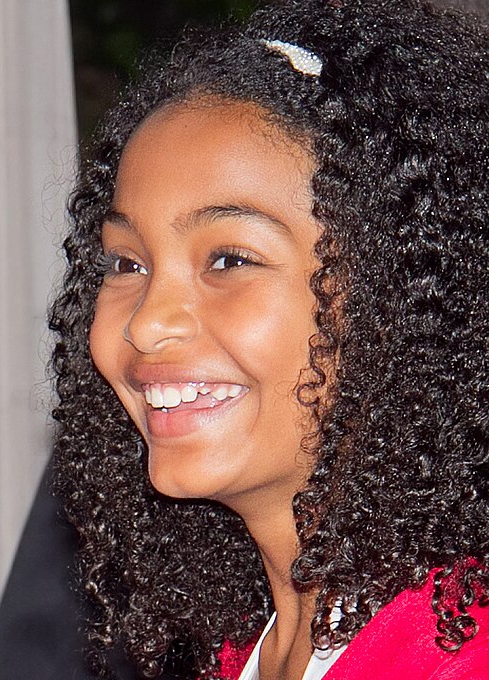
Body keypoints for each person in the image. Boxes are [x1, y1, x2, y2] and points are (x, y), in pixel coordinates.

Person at [49, 0, 488, 678]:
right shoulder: (245, 654)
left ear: (398, 296)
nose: (146, 322)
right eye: (126, 264)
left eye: (229, 259)